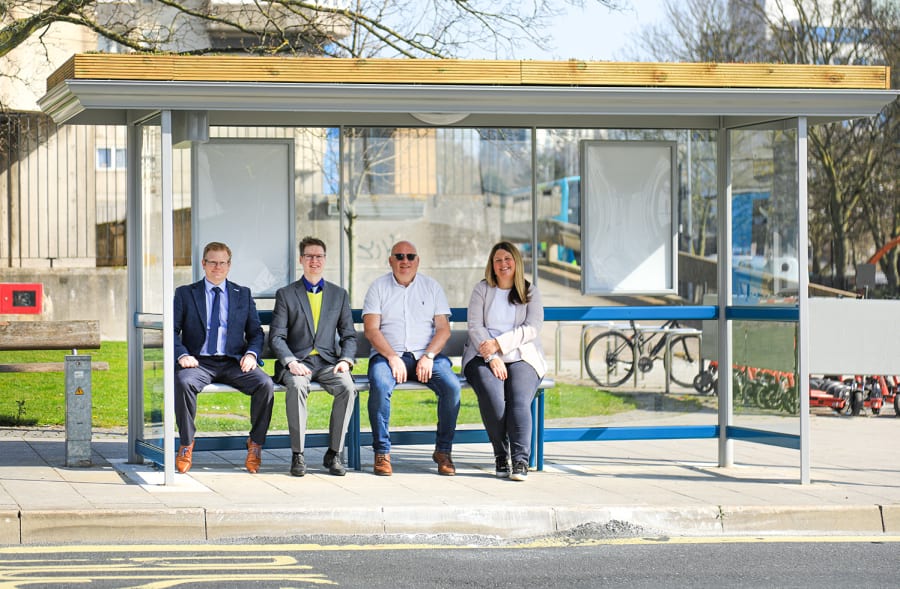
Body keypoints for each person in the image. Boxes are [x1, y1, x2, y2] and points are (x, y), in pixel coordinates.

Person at [173, 241, 274, 474]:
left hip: (233, 362)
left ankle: (255, 444)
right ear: (203, 264)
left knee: (265, 384)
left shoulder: (242, 294)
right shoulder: (186, 294)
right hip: (199, 362)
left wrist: (251, 353)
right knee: (184, 382)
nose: (217, 267)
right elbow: (172, 330)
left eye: (222, 263)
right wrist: (183, 354)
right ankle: (187, 444)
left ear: (229, 266)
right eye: (212, 262)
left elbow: (256, 332)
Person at [362, 240, 461, 476]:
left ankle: (443, 451)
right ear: (390, 261)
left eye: (409, 256)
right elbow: (371, 329)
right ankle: (382, 452)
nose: (404, 261)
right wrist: (392, 357)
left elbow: (443, 329)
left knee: (451, 387)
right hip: (388, 357)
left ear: (417, 261)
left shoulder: (432, 287)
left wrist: (428, 356)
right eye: (399, 256)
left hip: (427, 356)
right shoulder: (378, 287)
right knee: (380, 384)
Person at [268, 237, 357, 477]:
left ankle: (334, 453)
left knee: (348, 388)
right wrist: (291, 362)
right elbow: (276, 337)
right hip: (298, 362)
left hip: (329, 363)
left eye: (319, 256)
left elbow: (349, 335)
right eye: (309, 256)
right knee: (296, 386)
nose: (314, 261)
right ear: (301, 260)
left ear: (325, 260)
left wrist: (345, 360)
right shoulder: (286, 294)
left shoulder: (339, 295)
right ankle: (298, 454)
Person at [462, 241, 546, 481]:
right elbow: (475, 326)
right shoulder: (482, 289)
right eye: (498, 260)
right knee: (494, 398)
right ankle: (501, 455)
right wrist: (491, 356)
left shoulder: (530, 291)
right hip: (482, 356)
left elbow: (532, 327)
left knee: (519, 400)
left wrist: (500, 344)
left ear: (516, 262)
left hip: (522, 355)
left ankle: (520, 461)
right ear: (492, 265)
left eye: (507, 259)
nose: (503, 264)